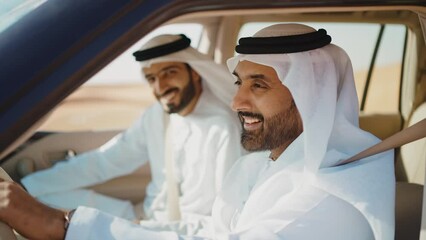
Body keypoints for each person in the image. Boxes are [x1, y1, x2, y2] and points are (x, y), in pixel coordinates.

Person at [0, 23, 395, 240]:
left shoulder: (325, 196)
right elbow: (211, 231)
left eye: (259, 85)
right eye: (239, 83)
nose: (236, 102)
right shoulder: (267, 166)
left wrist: (64, 228)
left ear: (312, 95)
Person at [19, 34, 245, 235]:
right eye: (152, 79)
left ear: (195, 73)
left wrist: (144, 229)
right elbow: (106, 160)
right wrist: (27, 186)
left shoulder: (223, 128)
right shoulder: (157, 116)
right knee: (36, 199)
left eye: (170, 73)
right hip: (144, 218)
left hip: (179, 233)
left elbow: (219, 218)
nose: (160, 86)